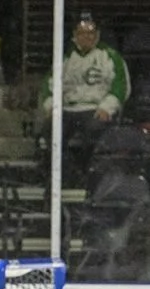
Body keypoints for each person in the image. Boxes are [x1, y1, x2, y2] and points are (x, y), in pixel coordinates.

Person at [37, 12, 131, 185]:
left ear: (97, 35)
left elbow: (120, 87)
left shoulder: (110, 56)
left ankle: (86, 176)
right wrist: (51, 106)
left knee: (94, 131)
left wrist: (107, 107)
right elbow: (49, 86)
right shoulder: (65, 59)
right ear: (75, 36)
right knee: (51, 130)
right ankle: (63, 177)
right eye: (82, 33)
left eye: (90, 33)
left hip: (95, 109)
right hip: (68, 109)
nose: (86, 37)